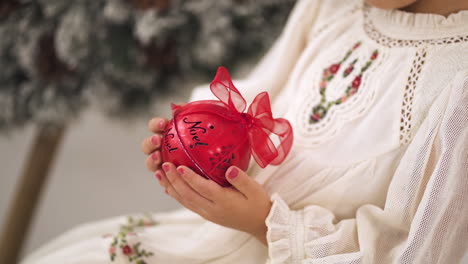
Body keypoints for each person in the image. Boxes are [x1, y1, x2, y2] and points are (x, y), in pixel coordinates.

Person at [21, 0, 468, 263]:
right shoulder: (335, 8)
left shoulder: (459, 81)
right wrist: (194, 135)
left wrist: (264, 223)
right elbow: (260, 96)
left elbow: (415, 250)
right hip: (209, 241)